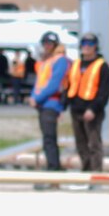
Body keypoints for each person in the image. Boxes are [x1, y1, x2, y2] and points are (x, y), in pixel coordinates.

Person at [64, 33, 109, 174]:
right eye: (84, 43)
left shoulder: (102, 66)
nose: (86, 47)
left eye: (90, 44)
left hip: (92, 111)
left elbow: (103, 92)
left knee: (93, 143)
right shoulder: (76, 64)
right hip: (76, 109)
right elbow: (69, 85)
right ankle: (86, 171)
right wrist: (64, 105)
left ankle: (96, 172)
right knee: (81, 144)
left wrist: (93, 109)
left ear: (95, 47)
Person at [29, 30, 70, 171]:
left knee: (50, 139)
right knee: (47, 139)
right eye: (45, 43)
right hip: (42, 104)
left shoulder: (60, 60)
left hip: (51, 103)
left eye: (50, 43)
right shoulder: (45, 61)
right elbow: (39, 82)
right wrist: (33, 97)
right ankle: (51, 166)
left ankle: (54, 168)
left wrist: (37, 98)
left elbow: (54, 84)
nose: (47, 46)